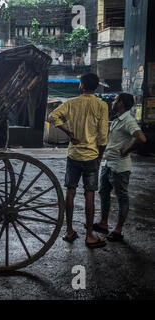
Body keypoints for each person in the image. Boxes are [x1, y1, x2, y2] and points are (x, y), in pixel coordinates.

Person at [49, 73, 109, 248]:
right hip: (91, 156)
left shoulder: (72, 103)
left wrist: (69, 133)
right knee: (90, 193)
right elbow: (103, 136)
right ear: (96, 87)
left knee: (70, 191)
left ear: (82, 85)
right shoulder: (102, 105)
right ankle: (89, 235)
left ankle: (69, 231)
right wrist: (100, 154)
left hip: (74, 155)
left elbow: (53, 116)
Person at [94, 93, 146, 241]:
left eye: (115, 100)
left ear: (121, 103)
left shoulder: (128, 120)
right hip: (108, 163)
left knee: (122, 197)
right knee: (103, 193)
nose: (113, 102)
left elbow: (141, 138)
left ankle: (118, 229)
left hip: (120, 167)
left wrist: (126, 150)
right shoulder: (118, 119)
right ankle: (103, 223)